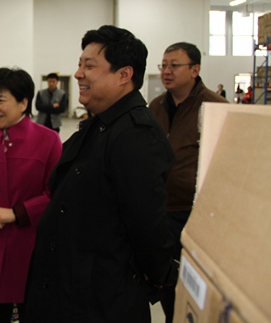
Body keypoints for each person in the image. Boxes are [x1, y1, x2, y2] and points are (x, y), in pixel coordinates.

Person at [24, 25, 177, 323]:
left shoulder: (135, 136)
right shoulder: (101, 125)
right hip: (73, 290)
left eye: (89, 66)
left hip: (100, 300)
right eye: (80, 64)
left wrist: (158, 277)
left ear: (124, 75)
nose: (78, 74)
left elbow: (148, 225)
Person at [0, 67, 62, 323]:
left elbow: (57, 193)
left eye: (0, 100)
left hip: (31, 248)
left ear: (23, 103)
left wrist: (18, 213)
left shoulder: (49, 141)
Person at [149, 42, 228, 322]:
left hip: (195, 214)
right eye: (163, 66)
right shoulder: (156, 107)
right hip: (161, 210)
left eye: (174, 65)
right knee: (166, 281)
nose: (166, 71)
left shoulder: (216, 107)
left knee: (195, 283)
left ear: (195, 70)